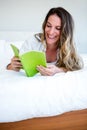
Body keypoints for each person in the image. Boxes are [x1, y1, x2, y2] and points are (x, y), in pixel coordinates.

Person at [7, 7, 83, 76]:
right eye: (49, 26)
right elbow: (9, 66)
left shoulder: (68, 45)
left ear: (65, 31)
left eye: (58, 28)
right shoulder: (32, 42)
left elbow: (77, 65)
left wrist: (59, 70)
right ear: (44, 25)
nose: (50, 32)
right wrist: (13, 66)